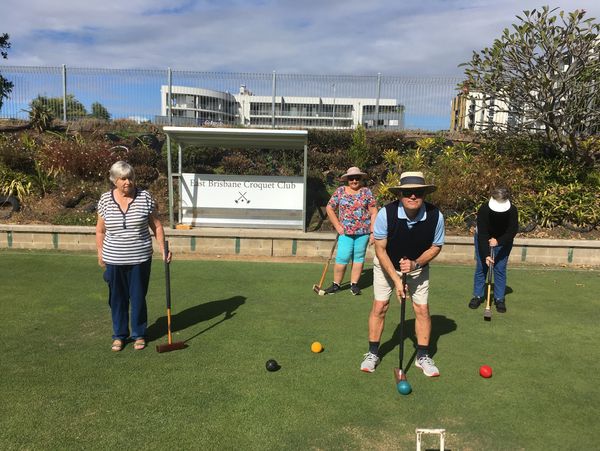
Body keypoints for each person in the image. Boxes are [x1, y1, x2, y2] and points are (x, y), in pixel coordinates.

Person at [360, 171, 445, 377]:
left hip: (418, 268)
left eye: (418, 192)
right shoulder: (386, 214)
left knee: (422, 309)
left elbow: (436, 246)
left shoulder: (436, 216)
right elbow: (380, 250)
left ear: (424, 194)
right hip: (386, 265)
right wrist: (397, 281)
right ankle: (372, 353)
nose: (412, 196)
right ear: (399, 194)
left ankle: (422, 356)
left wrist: (416, 264)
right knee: (380, 306)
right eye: (407, 192)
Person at [96, 161, 171, 352]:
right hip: (114, 259)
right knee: (117, 299)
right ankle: (119, 335)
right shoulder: (105, 200)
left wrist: (163, 249)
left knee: (137, 297)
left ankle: (139, 334)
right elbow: (100, 230)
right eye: (123, 178)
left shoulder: (145, 197)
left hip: (140, 259)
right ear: (114, 180)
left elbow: (157, 226)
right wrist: (100, 253)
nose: (127, 182)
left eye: (130, 178)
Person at [323, 166, 378, 296]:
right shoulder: (340, 191)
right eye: (351, 178)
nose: (354, 181)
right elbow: (329, 208)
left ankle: (354, 285)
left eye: (357, 178)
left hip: (363, 232)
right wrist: (337, 226)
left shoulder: (366, 192)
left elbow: (374, 212)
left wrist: (372, 232)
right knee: (342, 257)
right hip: (345, 233)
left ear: (361, 179)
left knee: (358, 258)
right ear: (347, 179)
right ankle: (336, 285)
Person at [468, 187, 518, 313]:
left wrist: (499, 241)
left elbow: (512, 231)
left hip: (504, 240)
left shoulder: (512, 210)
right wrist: (486, 255)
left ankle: (499, 298)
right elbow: (482, 234)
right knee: (482, 267)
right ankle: (478, 296)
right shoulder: (484, 209)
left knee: (499, 268)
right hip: (484, 238)